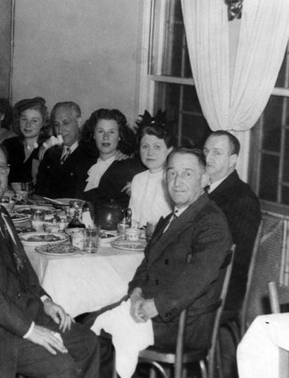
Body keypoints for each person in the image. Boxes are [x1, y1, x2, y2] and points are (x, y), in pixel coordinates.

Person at [0, 138, 99, 377]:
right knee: (60, 367)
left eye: (2, 167)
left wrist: (45, 300)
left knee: (87, 343)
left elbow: (23, 270)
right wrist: (31, 330)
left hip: (15, 315)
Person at [90, 148, 232, 378]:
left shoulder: (211, 222)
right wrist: (136, 292)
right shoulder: (172, 217)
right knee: (90, 322)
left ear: (204, 179)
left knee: (94, 336)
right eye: (172, 173)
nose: (177, 181)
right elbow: (147, 263)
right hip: (157, 308)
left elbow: (198, 277)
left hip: (182, 321)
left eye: (187, 174)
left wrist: (154, 305)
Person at [203, 130, 261, 377]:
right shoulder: (209, 190)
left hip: (224, 290)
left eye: (217, 153)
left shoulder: (240, 197)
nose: (208, 158)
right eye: (206, 151)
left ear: (233, 160)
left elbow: (237, 259)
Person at [81, 108, 143, 208]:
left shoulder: (129, 167)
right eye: (100, 131)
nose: (106, 137)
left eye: (112, 132)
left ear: (120, 136)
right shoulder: (86, 166)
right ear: (93, 135)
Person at [36, 101, 97, 199]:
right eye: (56, 125)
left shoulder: (92, 153)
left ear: (79, 122)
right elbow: (39, 192)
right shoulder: (49, 153)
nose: (60, 130)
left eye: (65, 123)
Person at [128, 122, 175, 228]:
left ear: (169, 150)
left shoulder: (172, 179)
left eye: (157, 147)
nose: (150, 153)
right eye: (145, 147)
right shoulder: (138, 179)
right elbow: (133, 220)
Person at [3, 97, 51, 185]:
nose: (28, 125)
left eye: (34, 120)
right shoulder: (9, 144)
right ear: (18, 120)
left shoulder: (49, 147)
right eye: (24, 119)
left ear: (43, 123)